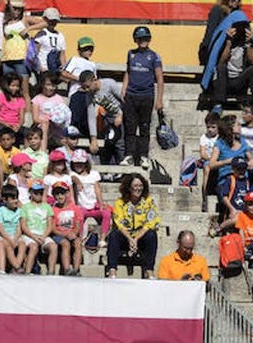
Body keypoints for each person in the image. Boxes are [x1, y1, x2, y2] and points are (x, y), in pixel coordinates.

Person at [121, 26, 164, 170]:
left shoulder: (154, 56)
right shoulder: (131, 54)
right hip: (131, 95)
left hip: (146, 96)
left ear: (149, 39)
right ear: (135, 40)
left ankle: (144, 156)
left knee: (144, 127)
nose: (142, 41)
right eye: (140, 39)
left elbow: (159, 78)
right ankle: (129, 155)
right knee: (130, 127)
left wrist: (159, 100)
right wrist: (124, 88)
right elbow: (128, 72)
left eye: (145, 38)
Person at [107, 172, 159, 278]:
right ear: (129, 188)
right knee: (114, 235)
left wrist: (136, 239)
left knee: (152, 235)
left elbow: (151, 222)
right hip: (125, 237)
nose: (138, 189)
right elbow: (119, 223)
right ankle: (112, 269)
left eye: (140, 186)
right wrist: (130, 239)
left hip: (141, 237)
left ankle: (149, 270)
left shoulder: (149, 202)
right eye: (135, 186)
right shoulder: (120, 203)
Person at [212, 20, 253, 108]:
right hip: (226, 81)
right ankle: (218, 104)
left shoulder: (251, 44)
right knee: (220, 67)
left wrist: (248, 44)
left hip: (240, 81)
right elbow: (221, 62)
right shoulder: (225, 43)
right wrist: (228, 43)